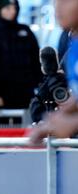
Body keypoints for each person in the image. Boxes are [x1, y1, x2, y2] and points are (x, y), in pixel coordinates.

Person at [29, 0, 78, 144]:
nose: (58, 7)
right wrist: (52, 120)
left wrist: (73, 122)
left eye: (66, 1)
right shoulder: (72, 47)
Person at [0, 0, 42, 109]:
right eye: (8, 8)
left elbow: (35, 60)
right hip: (2, 94)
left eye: (14, 8)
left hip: (26, 91)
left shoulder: (25, 31)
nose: (12, 11)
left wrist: (39, 85)